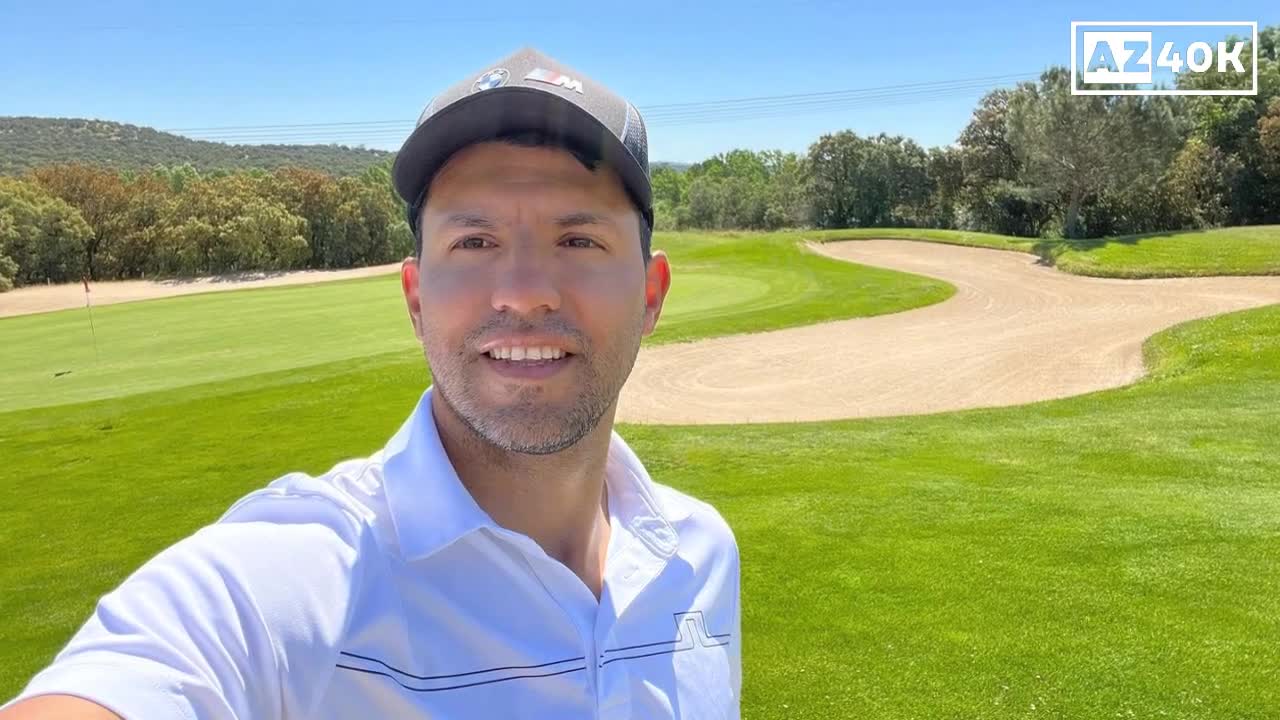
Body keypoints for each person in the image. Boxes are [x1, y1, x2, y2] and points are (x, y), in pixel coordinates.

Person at [0, 47, 741, 719]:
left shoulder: (702, 557)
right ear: (416, 298)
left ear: (650, 294)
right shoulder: (303, 570)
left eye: (578, 240)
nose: (522, 292)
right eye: (474, 241)